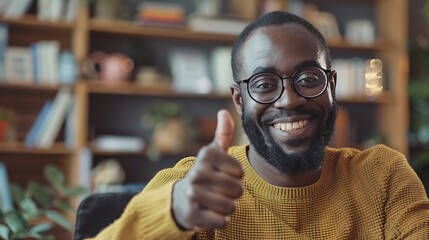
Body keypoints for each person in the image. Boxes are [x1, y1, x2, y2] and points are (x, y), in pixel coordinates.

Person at [88, 11, 429, 239]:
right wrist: (174, 211)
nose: (289, 99)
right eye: (265, 84)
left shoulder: (384, 176)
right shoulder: (193, 189)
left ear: (332, 86)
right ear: (239, 100)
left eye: (308, 78)